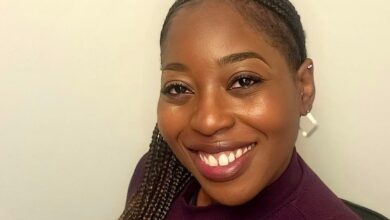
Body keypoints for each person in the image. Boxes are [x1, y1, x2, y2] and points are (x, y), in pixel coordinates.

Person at [120, 0, 361, 219]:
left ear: (304, 88)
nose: (207, 121)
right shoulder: (155, 177)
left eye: (244, 81)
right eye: (178, 88)